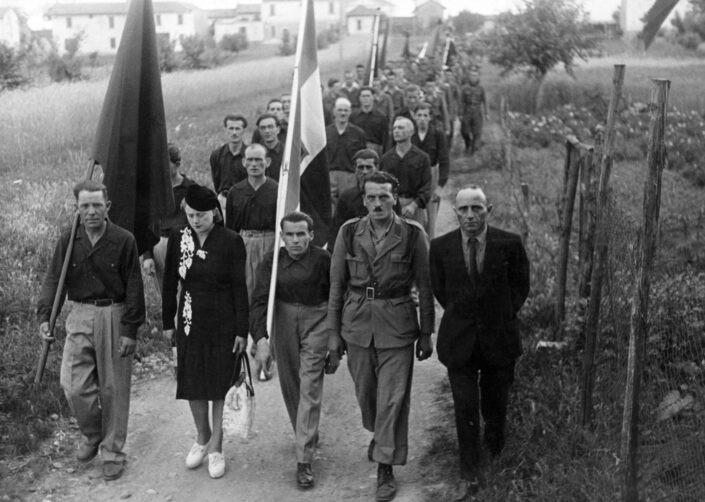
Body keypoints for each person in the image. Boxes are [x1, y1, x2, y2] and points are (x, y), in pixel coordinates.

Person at [326, 171, 434, 502]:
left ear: (395, 199)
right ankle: (381, 437)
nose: (377, 204)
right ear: (363, 201)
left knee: (392, 399)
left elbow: (426, 288)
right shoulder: (348, 232)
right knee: (367, 397)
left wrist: (427, 333)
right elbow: (336, 286)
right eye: (371, 197)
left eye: (384, 197)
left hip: (398, 324)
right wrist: (333, 333)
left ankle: (385, 465)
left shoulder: (413, 235)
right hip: (357, 323)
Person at [37, 180, 145, 481]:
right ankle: (92, 433)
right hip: (79, 313)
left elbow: (135, 286)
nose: (92, 211)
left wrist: (130, 329)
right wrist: (46, 315)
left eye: (97, 204)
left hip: (114, 312)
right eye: (85, 206)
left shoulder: (124, 240)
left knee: (113, 388)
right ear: (76, 209)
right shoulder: (69, 240)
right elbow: (53, 279)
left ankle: (112, 452)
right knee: (73, 384)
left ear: (107, 206)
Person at [429, 185, 530, 499]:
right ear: (456, 212)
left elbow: (520, 288)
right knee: (465, 407)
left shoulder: (509, 244)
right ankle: (469, 472)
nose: (470, 216)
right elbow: (441, 290)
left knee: (495, 405)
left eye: (477, 208)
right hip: (459, 341)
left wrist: (496, 315)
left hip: (499, 338)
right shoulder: (441, 247)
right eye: (464, 210)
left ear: (490, 209)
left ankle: (495, 450)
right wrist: (466, 315)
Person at [162, 184, 256, 479]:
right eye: (190, 215)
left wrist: (242, 329)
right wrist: (168, 323)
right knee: (193, 379)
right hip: (189, 318)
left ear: (214, 213)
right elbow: (169, 284)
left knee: (218, 382)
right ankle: (202, 436)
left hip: (223, 320)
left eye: (201, 215)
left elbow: (240, 288)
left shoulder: (230, 241)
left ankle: (217, 447)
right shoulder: (178, 238)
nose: (195, 220)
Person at [250, 211, 330, 489]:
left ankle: (304, 460)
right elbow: (259, 301)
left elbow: (336, 297)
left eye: (301, 234)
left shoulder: (323, 260)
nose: (296, 240)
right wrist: (260, 339)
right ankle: (305, 432)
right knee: (290, 383)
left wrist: (335, 339)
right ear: (282, 236)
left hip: (317, 320)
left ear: (311, 234)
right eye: (290, 235)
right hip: (284, 320)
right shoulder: (272, 261)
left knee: (309, 384)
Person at [225, 143, 278, 380]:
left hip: (269, 243)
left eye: (259, 160)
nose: (254, 165)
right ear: (244, 163)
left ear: (267, 162)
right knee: (244, 297)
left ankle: (264, 352)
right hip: (245, 243)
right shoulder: (236, 191)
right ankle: (245, 351)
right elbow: (231, 228)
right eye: (250, 160)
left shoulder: (277, 189)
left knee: (265, 296)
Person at [142, 143, 196, 291]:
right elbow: (146, 225)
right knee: (166, 295)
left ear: (177, 164)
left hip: (185, 244)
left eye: (166, 165)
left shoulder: (191, 188)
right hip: (160, 244)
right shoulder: (153, 191)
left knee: (188, 295)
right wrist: (147, 256)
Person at [380, 116, 431, 227]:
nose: (396, 131)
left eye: (401, 128)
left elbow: (426, 187)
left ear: (411, 132)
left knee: (417, 242)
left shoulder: (422, 158)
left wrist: (414, 205)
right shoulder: (386, 159)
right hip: (391, 207)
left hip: (414, 207)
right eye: (394, 128)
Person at [412, 102, 450, 239]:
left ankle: (430, 249)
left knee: (430, 217)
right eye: (419, 115)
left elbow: (444, 161)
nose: (422, 118)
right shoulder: (410, 134)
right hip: (413, 176)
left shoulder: (437, 135)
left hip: (431, 175)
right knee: (415, 215)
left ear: (430, 118)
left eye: (425, 115)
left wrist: (440, 186)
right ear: (414, 117)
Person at [325, 97, 367, 213]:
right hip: (330, 176)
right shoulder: (326, 132)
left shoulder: (358, 133)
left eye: (345, 110)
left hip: (350, 176)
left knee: (348, 207)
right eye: (340, 110)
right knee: (329, 208)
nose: (342, 113)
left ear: (350, 112)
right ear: (334, 112)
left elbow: (363, 157)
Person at [210, 114, 248, 205]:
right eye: (231, 128)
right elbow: (216, 180)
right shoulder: (217, 154)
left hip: (245, 200)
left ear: (243, 131)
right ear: (225, 130)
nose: (234, 132)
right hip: (223, 200)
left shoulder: (249, 155)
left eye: (237, 129)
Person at [351, 86, 389, 156]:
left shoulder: (381, 117)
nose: (366, 98)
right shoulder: (353, 116)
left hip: (375, 151)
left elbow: (385, 140)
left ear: (373, 97)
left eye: (368, 96)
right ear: (359, 98)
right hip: (356, 150)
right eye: (363, 96)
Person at [459, 69, 488, 154]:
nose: (473, 77)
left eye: (475, 75)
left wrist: (486, 113)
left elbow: (485, 101)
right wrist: (460, 113)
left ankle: (474, 149)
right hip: (467, 111)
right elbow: (461, 102)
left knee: (477, 131)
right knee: (465, 131)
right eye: (471, 75)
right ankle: (468, 144)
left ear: (478, 76)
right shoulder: (464, 88)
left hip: (477, 112)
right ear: (469, 77)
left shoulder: (481, 88)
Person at [254, 113, 284, 181]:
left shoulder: (287, 152)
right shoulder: (254, 153)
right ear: (259, 131)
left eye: (270, 127)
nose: (267, 131)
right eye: (263, 128)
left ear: (278, 129)